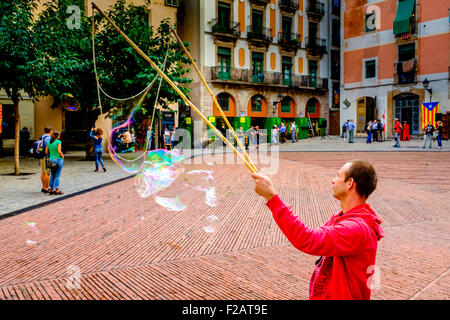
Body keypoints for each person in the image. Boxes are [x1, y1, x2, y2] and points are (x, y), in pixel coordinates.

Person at [251, 160, 384, 300]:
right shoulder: (342, 218)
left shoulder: (356, 229)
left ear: (350, 183)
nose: (333, 181)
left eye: (338, 176)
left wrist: (271, 197)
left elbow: (307, 239)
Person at [45, 130, 65, 195]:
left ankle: (51, 189)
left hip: (51, 160)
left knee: (52, 175)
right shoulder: (58, 141)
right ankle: (57, 190)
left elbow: (46, 152)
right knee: (57, 175)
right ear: (58, 136)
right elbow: (59, 151)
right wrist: (62, 156)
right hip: (58, 160)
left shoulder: (49, 142)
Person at [39, 126, 52, 193]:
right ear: (50, 131)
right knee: (48, 173)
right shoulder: (48, 138)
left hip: (41, 156)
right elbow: (48, 148)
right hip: (47, 157)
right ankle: (47, 188)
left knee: (43, 172)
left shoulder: (41, 137)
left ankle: (43, 187)